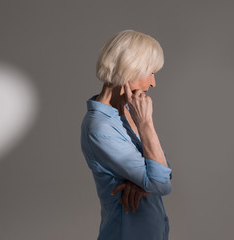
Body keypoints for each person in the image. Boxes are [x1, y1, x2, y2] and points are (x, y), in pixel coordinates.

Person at [80, 30, 173, 240]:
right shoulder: (100, 127)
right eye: (150, 72)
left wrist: (142, 181)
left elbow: (162, 172)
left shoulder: (129, 112)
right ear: (129, 70)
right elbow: (161, 183)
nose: (153, 83)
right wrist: (146, 124)